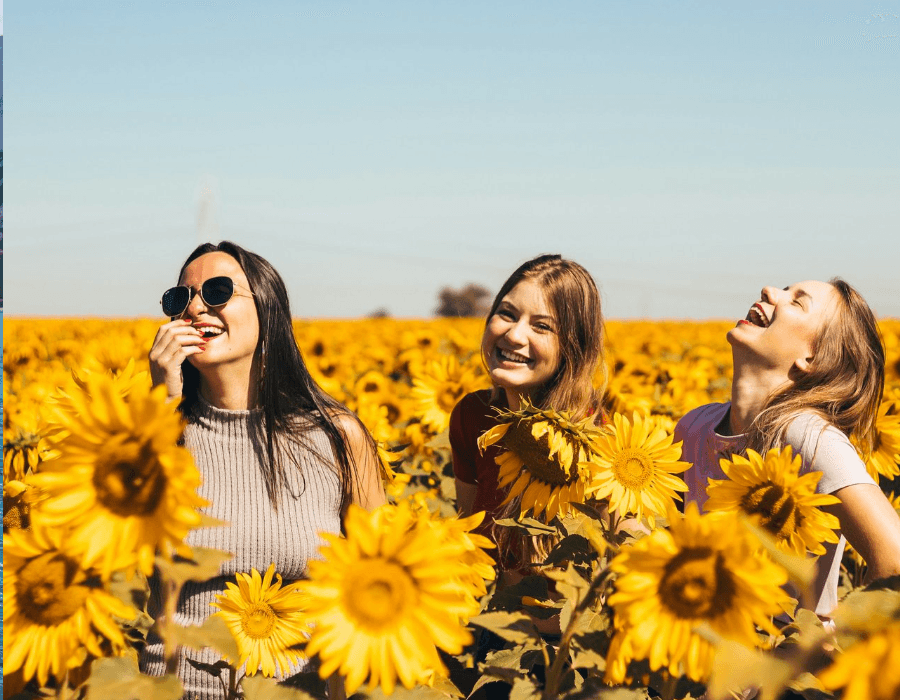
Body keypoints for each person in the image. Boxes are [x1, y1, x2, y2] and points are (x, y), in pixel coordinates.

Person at [140, 241, 385, 699]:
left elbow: (379, 584)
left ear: (268, 308)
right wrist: (161, 408)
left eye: (216, 291)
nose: (195, 307)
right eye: (180, 298)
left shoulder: (338, 437)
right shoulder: (151, 436)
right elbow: (124, 572)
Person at [675, 279, 900, 617]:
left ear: (813, 358)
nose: (768, 290)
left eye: (797, 302)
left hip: (785, 662)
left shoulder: (807, 437)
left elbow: (894, 561)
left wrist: (841, 645)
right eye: (783, 289)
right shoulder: (694, 427)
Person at [449, 254, 606, 610]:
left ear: (573, 347)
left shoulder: (598, 435)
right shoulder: (473, 417)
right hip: (497, 628)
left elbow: (619, 550)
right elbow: (473, 538)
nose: (514, 334)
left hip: (576, 645)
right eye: (506, 313)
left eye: (542, 326)